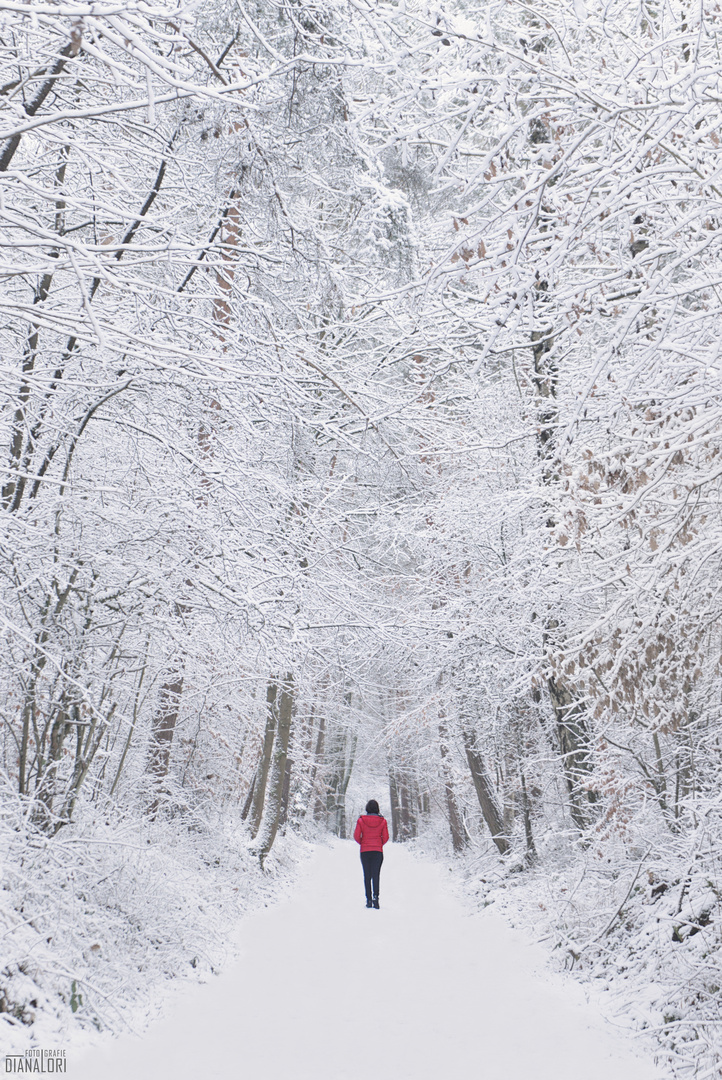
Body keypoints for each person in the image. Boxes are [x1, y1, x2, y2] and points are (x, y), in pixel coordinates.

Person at [353, 799, 389, 909]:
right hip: (378, 851)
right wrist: (379, 844)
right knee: (376, 875)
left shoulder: (361, 820)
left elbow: (356, 836)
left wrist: (363, 843)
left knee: (367, 875)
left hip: (365, 851)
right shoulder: (383, 821)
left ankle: (368, 900)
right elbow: (386, 837)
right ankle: (376, 898)